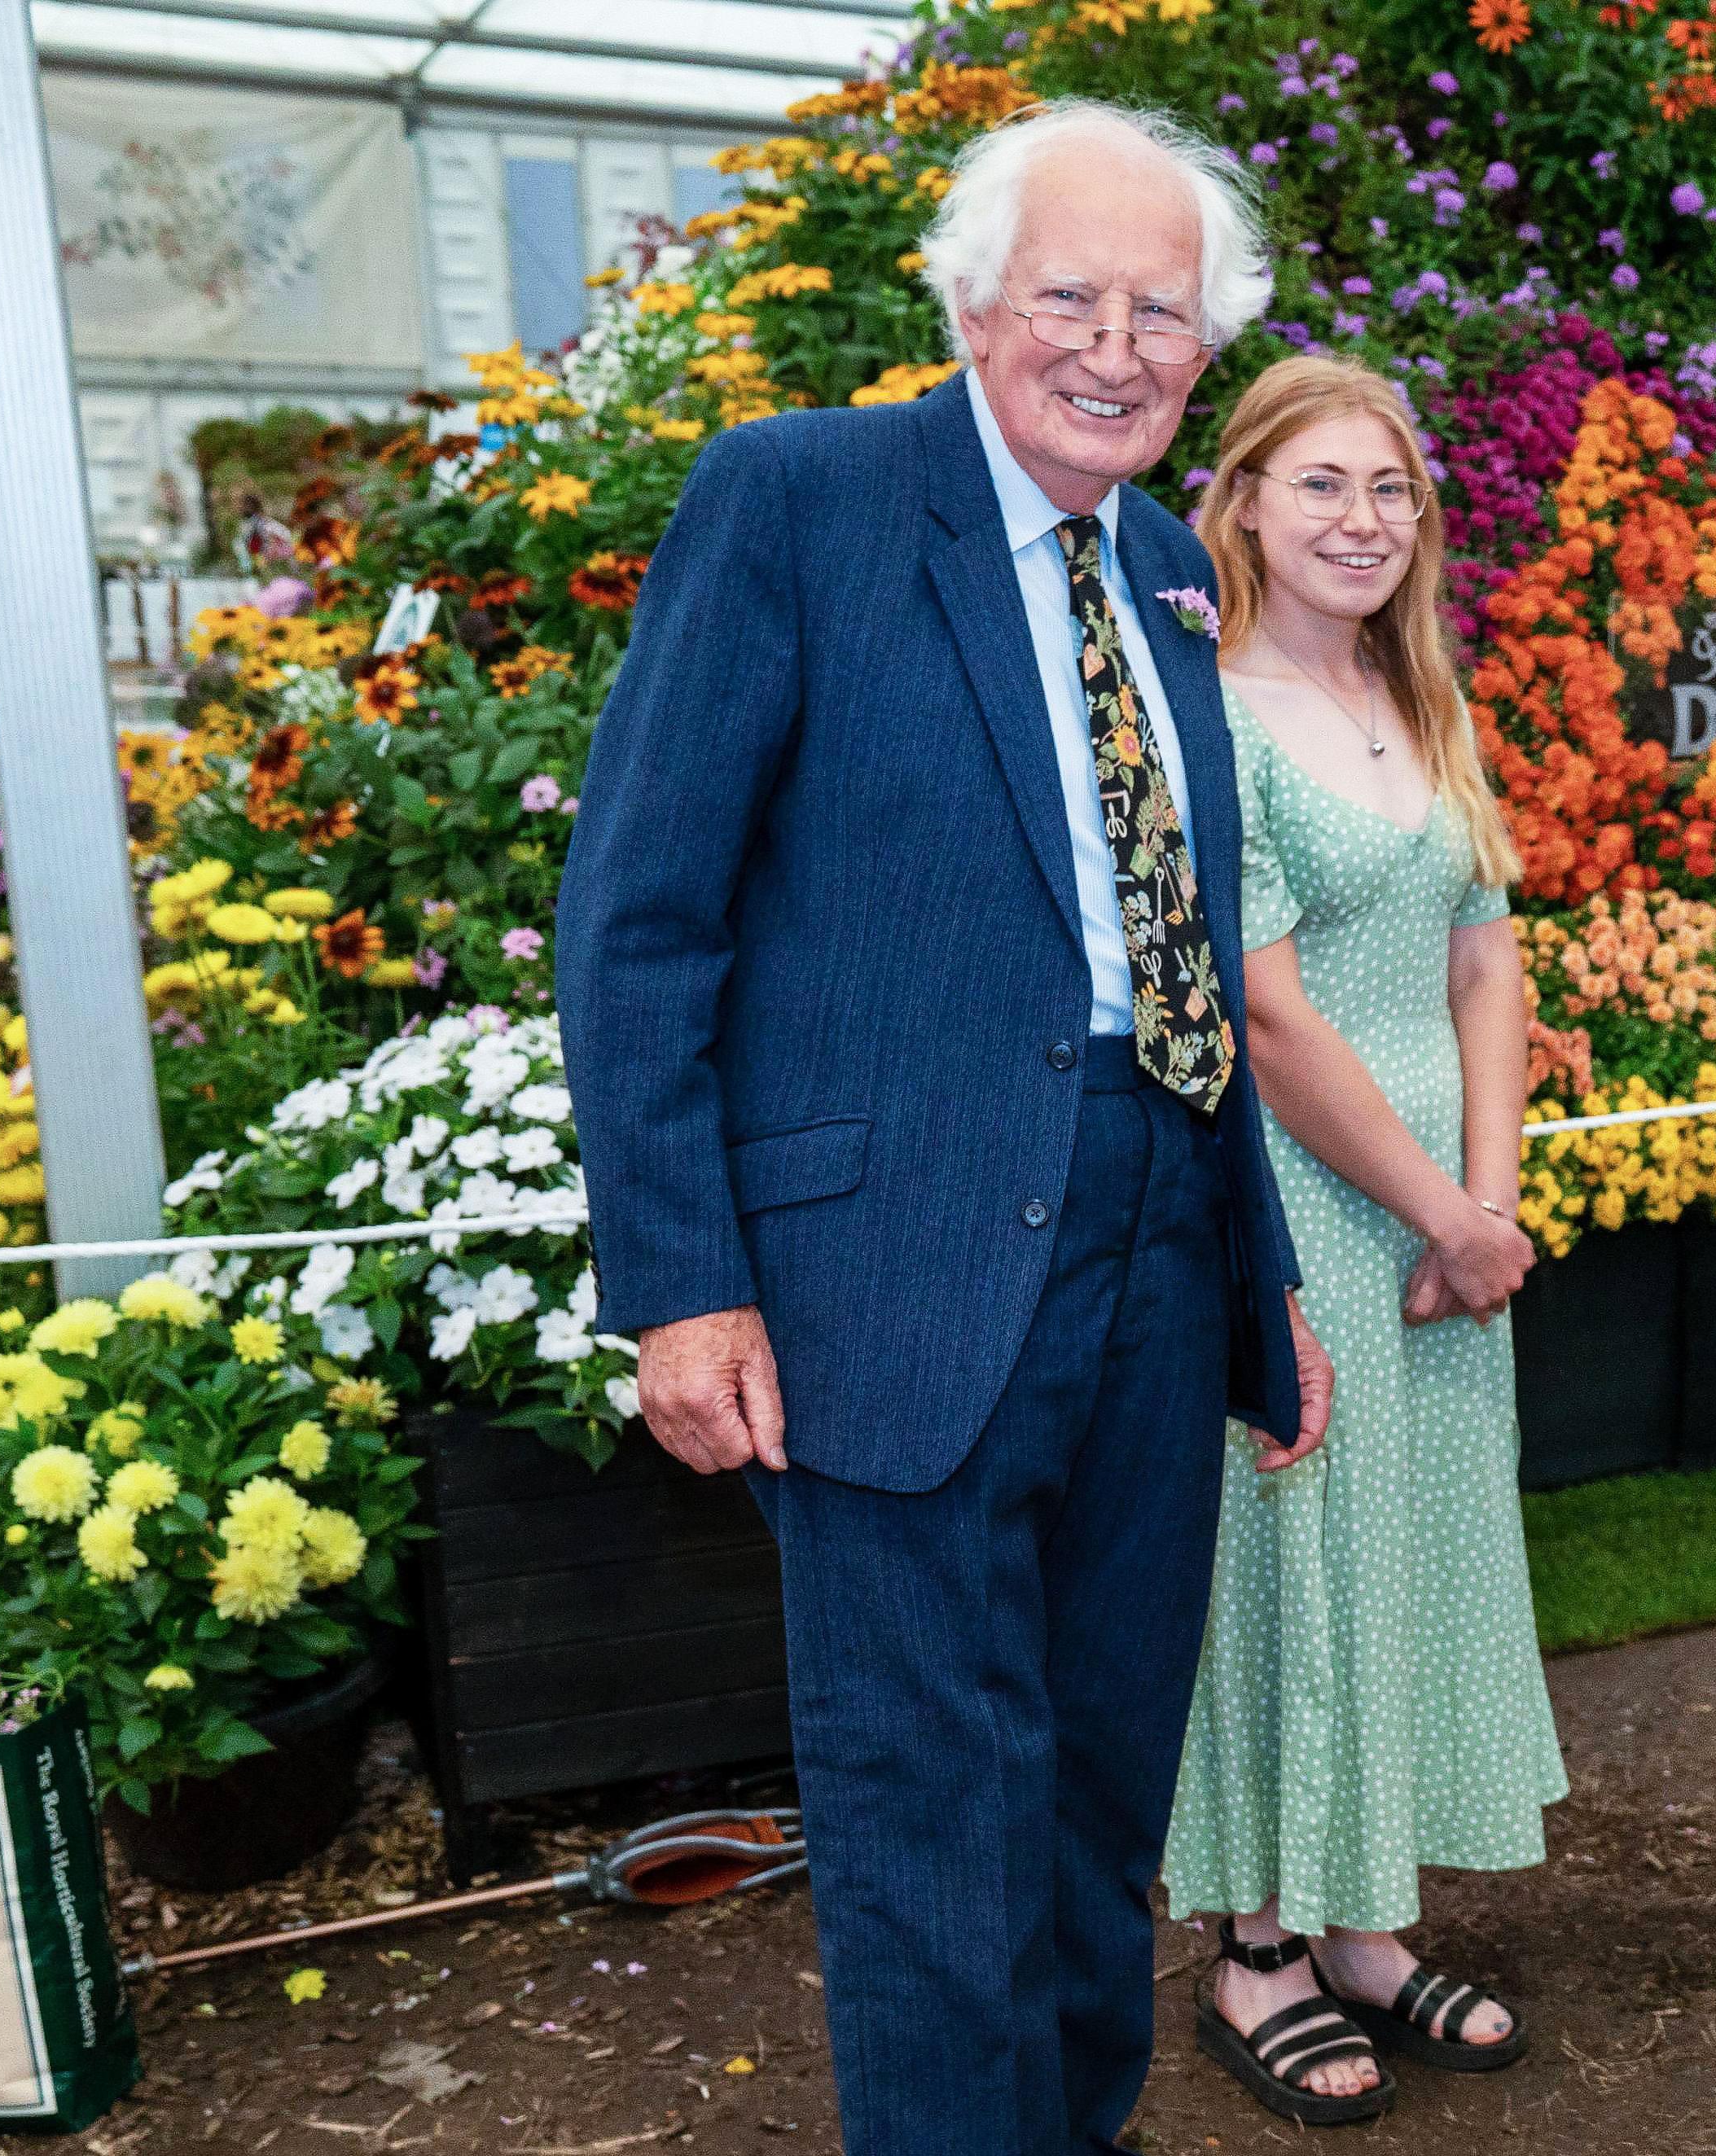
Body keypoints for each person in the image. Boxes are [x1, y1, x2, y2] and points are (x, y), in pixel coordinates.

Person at [554, 102, 1333, 2156]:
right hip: (880, 1274)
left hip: (1157, 1260)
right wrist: (683, 1282)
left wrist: (1258, 1278)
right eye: (1069, 294)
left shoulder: (1169, 566)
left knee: (1094, 1790)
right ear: (974, 303)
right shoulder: (798, 500)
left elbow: (1183, 963)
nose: (1115, 342)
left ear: (1209, 341)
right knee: (926, 1816)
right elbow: (639, 917)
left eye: (1161, 307)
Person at [1157, 355, 1568, 2127]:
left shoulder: (1426, 698)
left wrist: (1489, 1208)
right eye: (1320, 486)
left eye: (1390, 491)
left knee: (1414, 1557)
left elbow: (1490, 958)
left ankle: (1368, 1915)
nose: (1360, 522)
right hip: (1304, 1194)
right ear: (1244, 502)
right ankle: (1260, 1946)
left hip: (1440, 1211)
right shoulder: (1211, 719)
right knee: (1297, 1556)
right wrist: (1432, 1209)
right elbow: (1265, 1015)